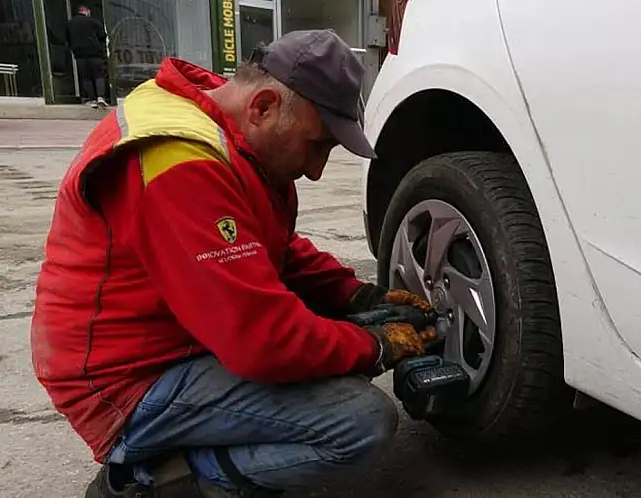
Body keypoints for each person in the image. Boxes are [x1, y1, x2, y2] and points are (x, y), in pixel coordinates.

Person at [31, 29, 436, 498]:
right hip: (124, 379)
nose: (317, 170)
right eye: (317, 144)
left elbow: (269, 247)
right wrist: (375, 345)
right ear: (263, 106)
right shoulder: (178, 164)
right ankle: (155, 479)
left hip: (174, 336)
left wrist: (357, 296)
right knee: (359, 420)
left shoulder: (222, 128)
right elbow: (262, 340)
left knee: (334, 342)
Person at [66, 5, 108, 108]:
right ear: (86, 11)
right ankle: (101, 97)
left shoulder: (70, 24)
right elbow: (102, 35)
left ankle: (92, 100)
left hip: (80, 55)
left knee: (86, 78)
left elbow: (67, 39)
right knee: (98, 75)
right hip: (94, 54)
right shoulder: (93, 21)